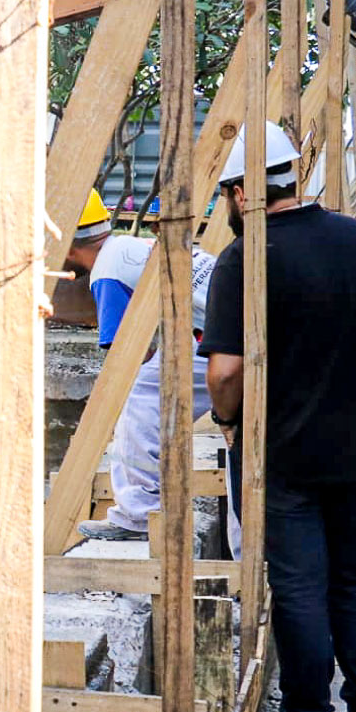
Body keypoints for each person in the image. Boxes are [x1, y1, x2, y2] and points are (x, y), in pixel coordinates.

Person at [199, 120, 356, 712]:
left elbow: (225, 372)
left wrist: (228, 419)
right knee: (355, 580)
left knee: (299, 587)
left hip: (286, 456)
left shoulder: (245, 259)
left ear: (243, 192)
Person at [62, 189, 228, 547]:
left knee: (137, 398)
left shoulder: (106, 272)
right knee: (150, 388)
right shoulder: (127, 247)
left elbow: (125, 358)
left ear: (67, 246)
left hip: (222, 340)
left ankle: (138, 514)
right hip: (234, 330)